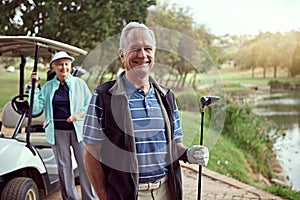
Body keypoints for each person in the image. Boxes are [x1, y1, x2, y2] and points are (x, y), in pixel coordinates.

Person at [82, 22, 209, 200]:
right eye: (135, 48)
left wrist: (189, 153)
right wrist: (104, 197)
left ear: (154, 54)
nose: (142, 55)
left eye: (148, 48)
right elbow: (91, 153)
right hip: (128, 195)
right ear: (122, 55)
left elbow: (173, 145)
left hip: (166, 191)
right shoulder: (103, 97)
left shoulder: (167, 96)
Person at [30, 51, 98, 200]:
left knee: (85, 166)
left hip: (78, 130)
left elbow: (90, 104)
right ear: (54, 67)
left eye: (66, 64)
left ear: (70, 66)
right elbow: (35, 109)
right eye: (60, 64)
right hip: (57, 132)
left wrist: (77, 115)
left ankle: (90, 198)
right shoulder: (48, 87)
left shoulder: (79, 84)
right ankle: (69, 198)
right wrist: (34, 88)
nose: (64, 67)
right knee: (64, 167)